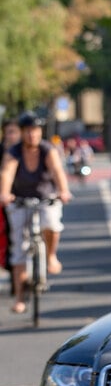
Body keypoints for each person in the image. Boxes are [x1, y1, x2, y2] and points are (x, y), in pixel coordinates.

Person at [0, 111, 73, 314]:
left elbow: (58, 172)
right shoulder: (14, 152)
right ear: (22, 133)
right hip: (19, 200)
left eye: (36, 130)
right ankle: (20, 298)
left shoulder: (47, 149)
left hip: (45, 198)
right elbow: (6, 172)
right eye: (28, 131)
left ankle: (50, 255)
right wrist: (4, 194)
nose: (32, 135)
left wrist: (63, 191)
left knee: (51, 223)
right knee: (19, 247)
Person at [1, 119, 21, 289]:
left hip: (23, 199)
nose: (12, 135)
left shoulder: (27, 150)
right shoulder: (3, 151)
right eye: (9, 132)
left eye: (15, 131)